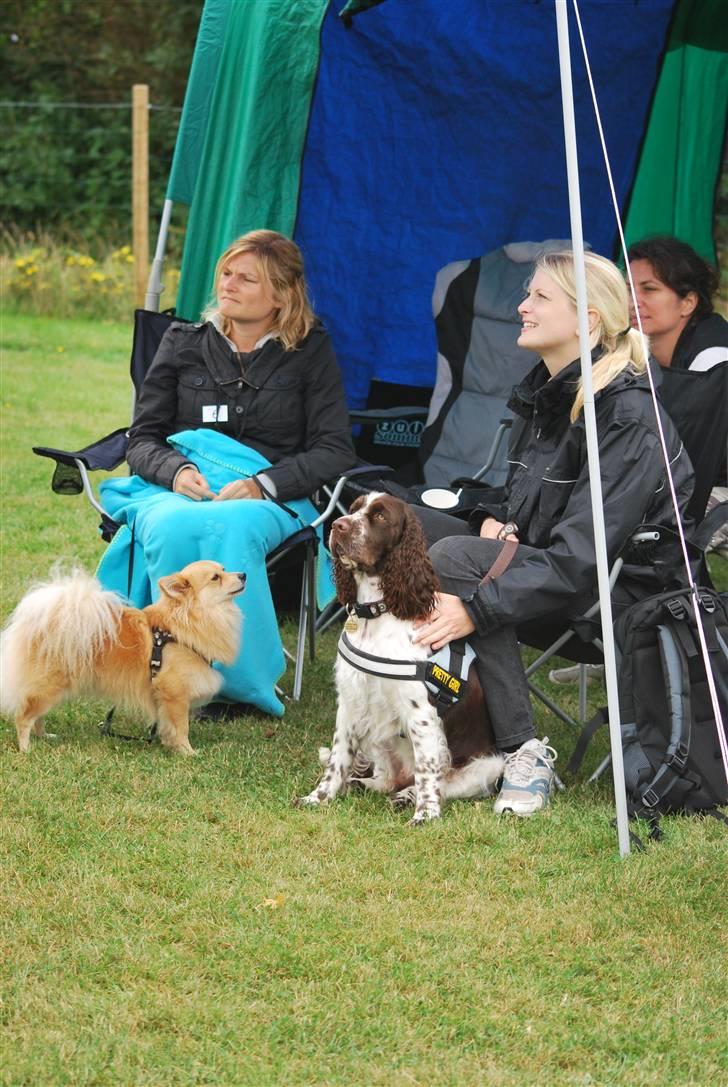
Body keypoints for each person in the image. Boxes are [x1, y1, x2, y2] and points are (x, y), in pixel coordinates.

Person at [411, 251, 694, 816]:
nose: (521, 307)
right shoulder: (549, 393)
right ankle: (407, 719)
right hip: (545, 570)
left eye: (539, 297)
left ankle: (522, 750)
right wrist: (494, 520)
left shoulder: (626, 417)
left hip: (617, 599)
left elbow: (580, 558)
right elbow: (535, 517)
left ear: (587, 320)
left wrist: (480, 607)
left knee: (458, 560)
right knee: (387, 523)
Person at [97, 230, 356, 716]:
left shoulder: (310, 352)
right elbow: (143, 438)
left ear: (281, 294)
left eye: (246, 278)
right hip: (179, 491)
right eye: (226, 273)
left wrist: (264, 484)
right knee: (172, 522)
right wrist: (176, 471)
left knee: (231, 523)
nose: (228, 285)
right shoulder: (182, 342)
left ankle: (239, 684)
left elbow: (334, 448)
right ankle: (165, 668)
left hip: (270, 495)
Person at [627, 235, 727, 544]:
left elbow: (691, 457)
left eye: (649, 289)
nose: (634, 301)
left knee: (654, 534)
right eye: (628, 288)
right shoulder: (636, 349)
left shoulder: (714, 360)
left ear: (688, 302)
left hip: (713, 483)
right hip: (697, 479)